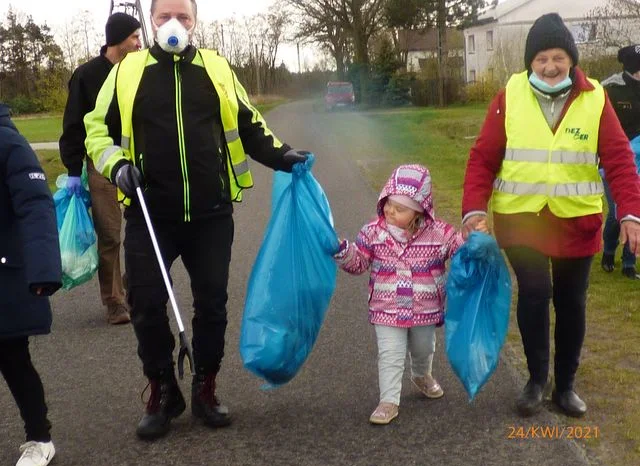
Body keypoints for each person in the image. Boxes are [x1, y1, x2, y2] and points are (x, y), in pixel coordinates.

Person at [84, 0, 310, 441]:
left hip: (210, 214)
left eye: (182, 17)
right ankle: (163, 388)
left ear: (194, 21)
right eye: (165, 16)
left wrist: (283, 156)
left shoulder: (217, 67)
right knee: (145, 303)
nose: (174, 25)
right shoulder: (127, 73)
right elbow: (97, 130)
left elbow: (249, 124)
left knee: (212, 304)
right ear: (151, 22)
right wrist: (117, 166)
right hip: (152, 214)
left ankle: (206, 385)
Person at [461, 13, 640, 419]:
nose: (550, 66)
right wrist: (474, 207)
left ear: (571, 59)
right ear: (530, 61)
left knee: (571, 301)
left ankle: (566, 385)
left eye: (558, 57)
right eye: (541, 58)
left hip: (576, 223)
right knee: (536, 292)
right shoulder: (510, 94)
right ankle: (536, 380)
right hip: (521, 220)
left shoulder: (595, 96)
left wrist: (630, 213)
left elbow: (619, 160)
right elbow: (483, 157)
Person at [334, 164, 488, 425]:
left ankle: (421, 374)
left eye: (400, 208)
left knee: (423, 347)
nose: (391, 210)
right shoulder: (374, 232)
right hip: (387, 307)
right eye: (389, 203)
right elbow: (358, 263)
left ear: (420, 210)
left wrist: (472, 242)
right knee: (390, 353)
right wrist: (341, 251)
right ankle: (389, 400)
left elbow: (461, 254)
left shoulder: (440, 234)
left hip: (424, 309)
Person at [59, 12, 142, 325]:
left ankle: (133, 285)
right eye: (134, 37)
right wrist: (71, 169)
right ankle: (114, 302)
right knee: (109, 235)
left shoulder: (138, 70)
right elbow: (73, 124)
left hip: (138, 165)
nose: (139, 43)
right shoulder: (87, 75)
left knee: (145, 231)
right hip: (102, 166)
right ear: (117, 40)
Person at [0, 104, 62, 466]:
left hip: (5, 273)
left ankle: (40, 438)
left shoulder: (9, 142)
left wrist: (42, 269)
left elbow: (36, 206)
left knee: (12, 358)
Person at [600, 44, 640, 279]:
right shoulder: (611, 90)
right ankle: (607, 250)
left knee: (635, 210)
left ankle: (628, 263)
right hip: (615, 164)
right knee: (617, 212)